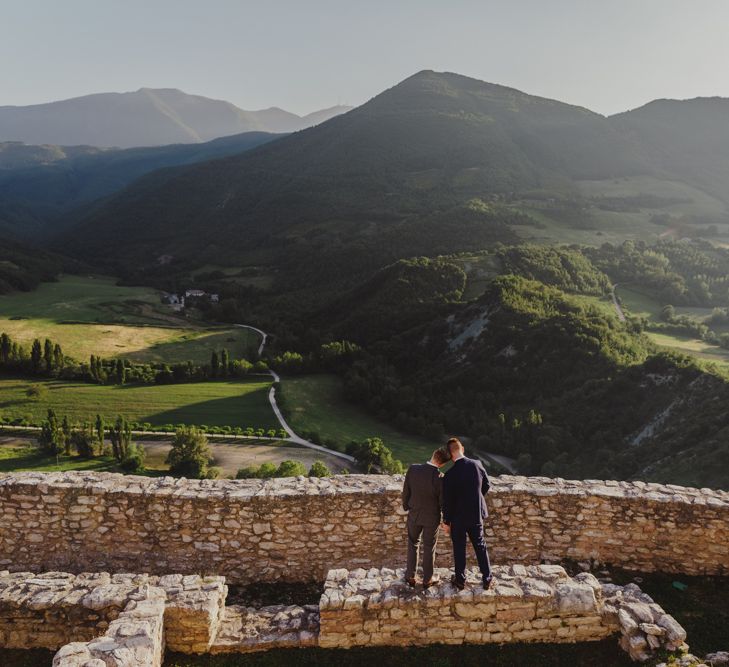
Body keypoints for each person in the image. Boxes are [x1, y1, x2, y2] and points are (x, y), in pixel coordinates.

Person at [442, 437, 492, 590]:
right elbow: (487, 485)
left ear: (451, 455)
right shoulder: (477, 464)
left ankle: (460, 580)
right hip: (476, 513)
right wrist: (476, 499)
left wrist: (446, 521)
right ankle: (487, 578)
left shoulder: (449, 475)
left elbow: (447, 501)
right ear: (462, 448)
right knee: (480, 544)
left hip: (458, 517)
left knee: (459, 547)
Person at [401, 446, 451, 588]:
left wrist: (407, 507)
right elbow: (443, 503)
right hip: (432, 518)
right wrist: (445, 520)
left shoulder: (413, 469)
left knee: (413, 543)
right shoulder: (440, 478)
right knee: (429, 547)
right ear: (442, 464)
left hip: (414, 514)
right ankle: (427, 579)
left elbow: (406, 492)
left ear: (433, 454)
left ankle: (410, 576)